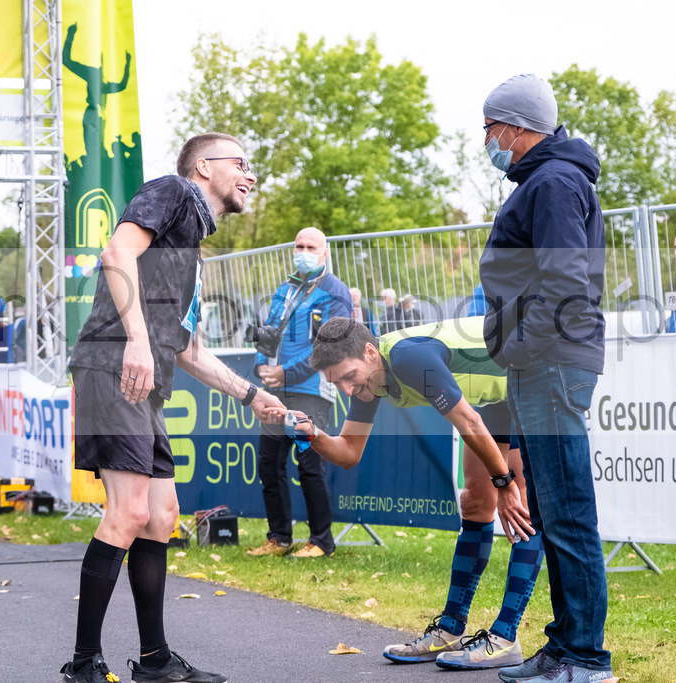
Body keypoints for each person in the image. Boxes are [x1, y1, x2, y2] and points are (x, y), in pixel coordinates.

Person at [65, 132, 285, 683]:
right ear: (204, 167)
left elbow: (190, 350)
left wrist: (255, 397)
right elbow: (115, 253)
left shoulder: (193, 253)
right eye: (240, 162)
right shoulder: (172, 191)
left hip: (146, 384)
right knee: (130, 513)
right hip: (112, 367)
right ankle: (84, 663)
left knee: (161, 518)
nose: (249, 174)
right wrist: (136, 340)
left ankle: (156, 660)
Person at [297, 316, 541, 671]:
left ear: (369, 352)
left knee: (520, 504)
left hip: (528, 373)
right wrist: (312, 434)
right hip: (495, 390)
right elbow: (349, 453)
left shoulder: (406, 359)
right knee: (475, 501)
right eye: (338, 384)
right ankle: (451, 628)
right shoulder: (370, 379)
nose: (348, 390)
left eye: (349, 377)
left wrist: (504, 483)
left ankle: (505, 638)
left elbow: (469, 422)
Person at [478, 74, 612, 683]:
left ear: (517, 126)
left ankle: (586, 656)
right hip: (544, 360)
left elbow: (564, 283)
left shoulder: (555, 180)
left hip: (552, 360)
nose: (486, 140)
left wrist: (521, 349)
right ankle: (564, 645)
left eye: (490, 128)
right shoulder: (546, 179)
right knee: (555, 512)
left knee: (569, 512)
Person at [247, 227, 353, 559]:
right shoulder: (286, 288)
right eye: (299, 245)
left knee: (309, 466)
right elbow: (268, 333)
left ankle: (322, 541)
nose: (303, 251)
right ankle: (279, 538)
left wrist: (286, 372)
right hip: (276, 390)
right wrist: (261, 367)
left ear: (324, 253)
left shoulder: (336, 292)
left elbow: (329, 346)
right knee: (268, 464)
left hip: (312, 390)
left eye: (311, 246)